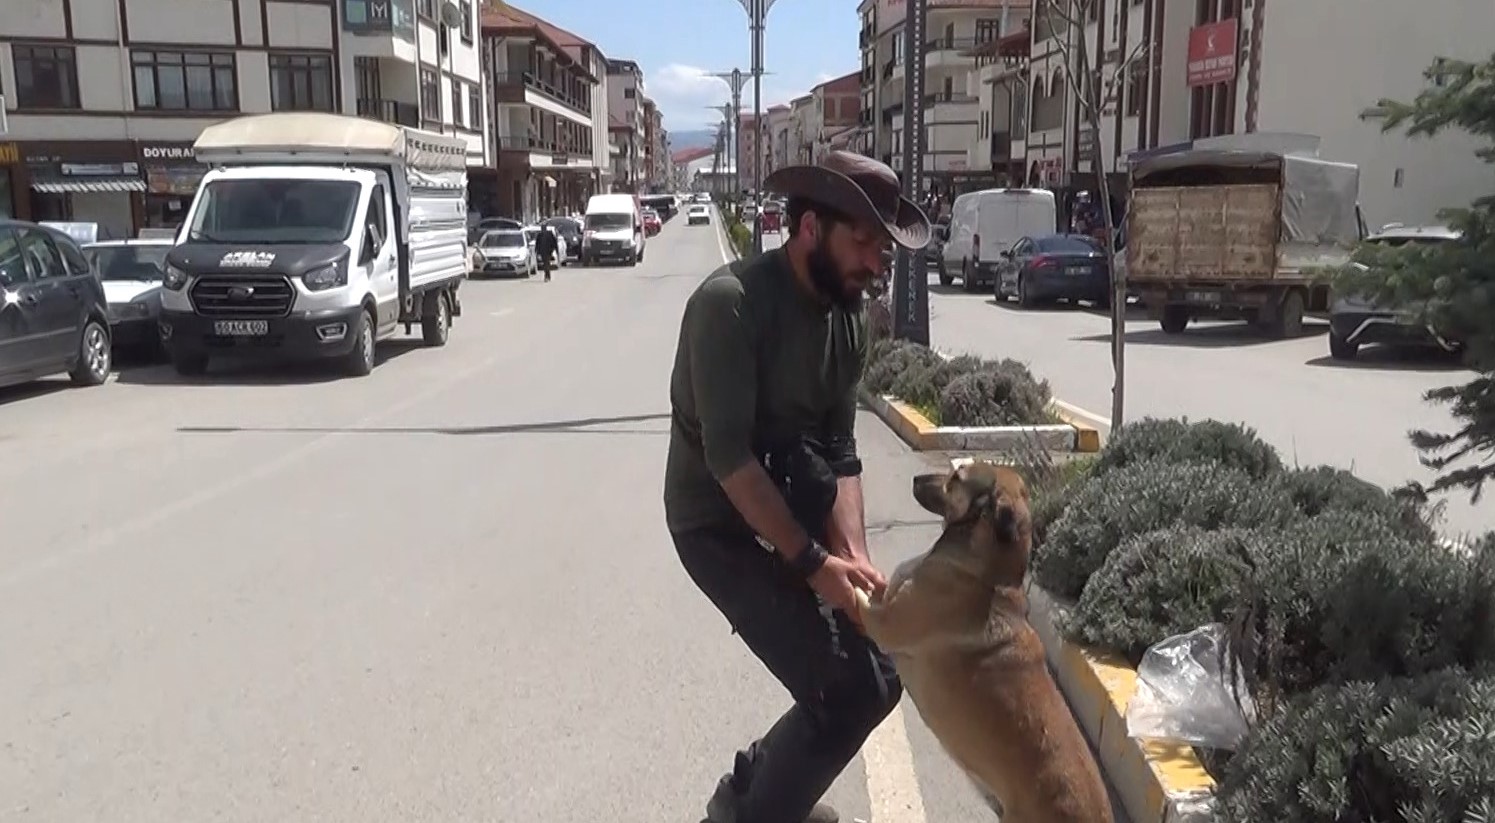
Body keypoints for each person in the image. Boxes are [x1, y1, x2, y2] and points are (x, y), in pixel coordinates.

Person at [664, 151, 932, 823]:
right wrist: (814, 566)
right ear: (810, 227)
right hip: (718, 526)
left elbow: (840, 453)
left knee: (877, 681)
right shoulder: (729, 307)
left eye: (883, 248)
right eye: (864, 242)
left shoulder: (845, 320)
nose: (876, 264)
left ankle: (762, 795)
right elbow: (729, 461)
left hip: (790, 506)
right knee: (839, 687)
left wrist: (858, 558)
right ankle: (748, 810)